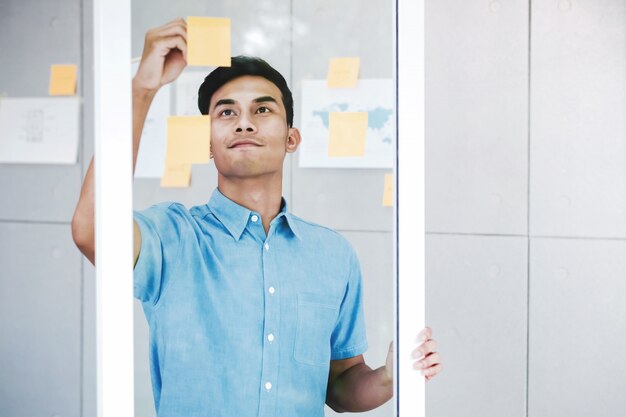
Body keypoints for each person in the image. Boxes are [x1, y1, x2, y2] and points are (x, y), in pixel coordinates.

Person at [72, 18, 442, 416]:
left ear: (291, 138)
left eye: (262, 109)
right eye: (226, 112)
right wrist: (141, 89)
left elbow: (340, 385)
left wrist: (390, 376)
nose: (244, 122)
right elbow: (92, 229)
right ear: (208, 142)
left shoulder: (333, 254)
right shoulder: (173, 237)